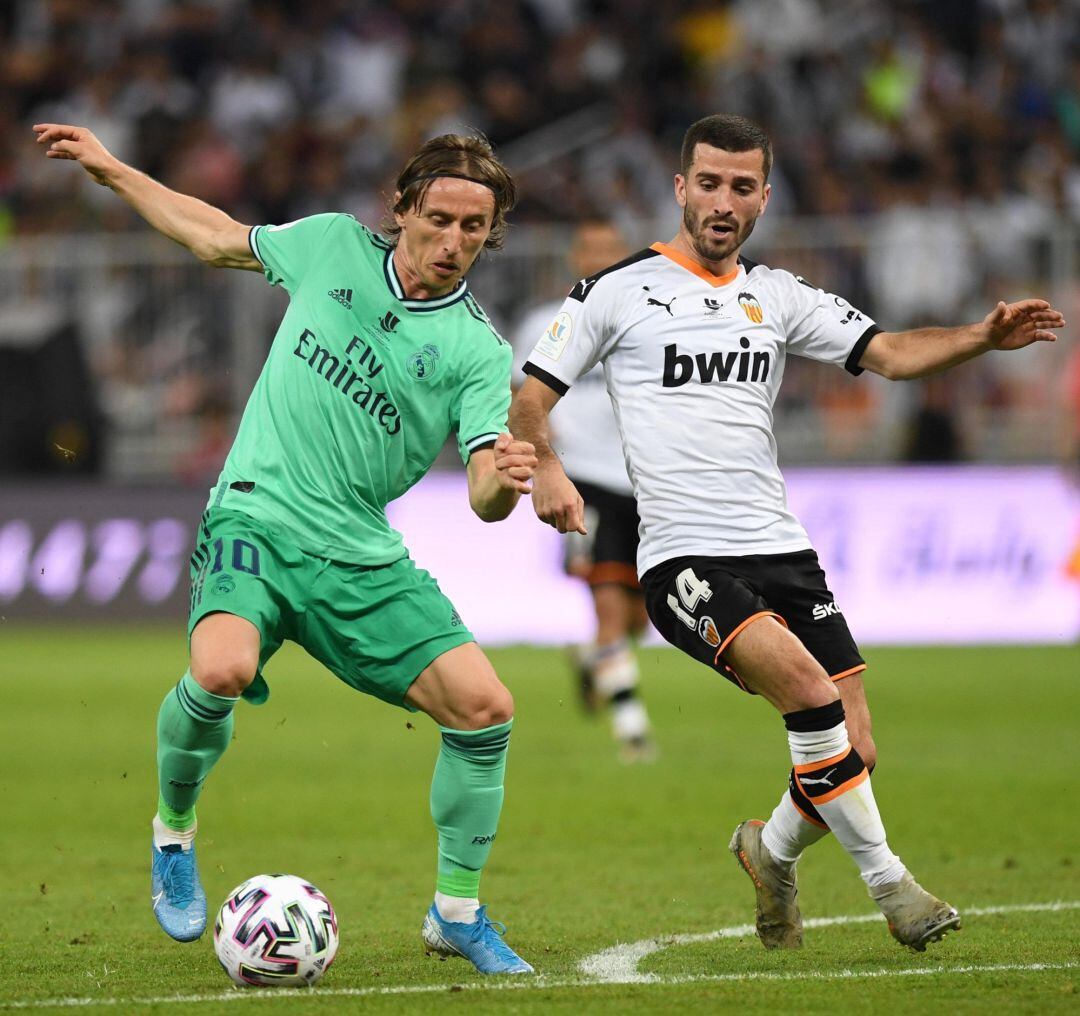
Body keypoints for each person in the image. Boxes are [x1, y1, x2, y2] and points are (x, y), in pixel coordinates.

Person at [510, 113, 1065, 953]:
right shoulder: (615, 291)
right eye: (709, 183)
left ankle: (767, 853)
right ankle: (895, 888)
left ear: (764, 197)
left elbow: (891, 353)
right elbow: (531, 397)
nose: (723, 201)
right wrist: (547, 470)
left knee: (856, 745)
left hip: (781, 547)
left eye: (741, 186)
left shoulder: (779, 295)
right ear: (680, 188)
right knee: (811, 699)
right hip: (683, 558)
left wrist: (981, 339)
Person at [35, 121, 539, 975]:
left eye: (473, 228)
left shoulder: (479, 351)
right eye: (440, 219)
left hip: (359, 556)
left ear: (491, 235)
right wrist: (114, 169)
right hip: (256, 519)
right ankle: (173, 831)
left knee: (486, 709)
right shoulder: (331, 247)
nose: (454, 242)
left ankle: (455, 911)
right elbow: (214, 235)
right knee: (221, 670)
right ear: (401, 208)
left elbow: (487, 496)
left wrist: (506, 477)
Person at [510, 218, 655, 762]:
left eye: (610, 250)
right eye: (590, 249)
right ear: (575, 257)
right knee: (610, 611)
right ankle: (632, 730)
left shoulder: (646, 323)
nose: (600, 258)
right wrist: (542, 445)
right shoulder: (544, 325)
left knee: (642, 619)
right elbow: (518, 394)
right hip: (582, 482)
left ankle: (595, 661)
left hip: (642, 482)